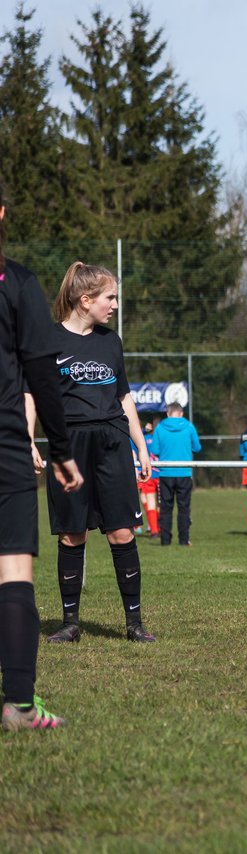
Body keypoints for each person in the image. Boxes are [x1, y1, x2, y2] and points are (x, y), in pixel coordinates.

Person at [25, 262, 156, 645]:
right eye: (109, 297)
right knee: (71, 534)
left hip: (112, 442)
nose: (115, 304)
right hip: (69, 446)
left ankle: (134, 624)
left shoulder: (110, 341)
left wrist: (141, 446)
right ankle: (69, 623)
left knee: (121, 531)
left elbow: (124, 397)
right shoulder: (46, 341)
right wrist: (27, 439)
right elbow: (32, 394)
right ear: (86, 300)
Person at [0, 191, 84, 731]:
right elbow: (42, 373)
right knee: (13, 572)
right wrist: (61, 449)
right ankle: (20, 706)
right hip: (4, 444)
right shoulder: (19, 282)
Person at [153, 402, 200, 547]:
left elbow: (155, 450)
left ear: (167, 413)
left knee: (165, 508)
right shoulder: (189, 426)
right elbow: (197, 447)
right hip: (184, 472)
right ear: (181, 413)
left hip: (165, 473)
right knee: (184, 507)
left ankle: (165, 541)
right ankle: (184, 540)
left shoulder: (160, 427)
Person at [134, 419, 160, 537]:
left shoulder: (141, 439)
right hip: (161, 473)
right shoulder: (160, 438)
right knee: (156, 502)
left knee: (147, 500)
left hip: (146, 473)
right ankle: (155, 527)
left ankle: (154, 528)